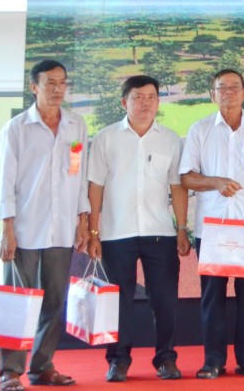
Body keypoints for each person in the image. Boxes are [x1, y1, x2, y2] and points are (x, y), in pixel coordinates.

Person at [88, 75, 188, 382]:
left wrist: (182, 228)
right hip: (116, 232)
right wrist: (93, 232)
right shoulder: (105, 138)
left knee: (165, 300)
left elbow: (178, 187)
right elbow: (95, 186)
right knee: (119, 300)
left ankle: (166, 358)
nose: (145, 103)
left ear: (158, 102)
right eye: (137, 97)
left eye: (151, 97)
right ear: (124, 102)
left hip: (160, 232)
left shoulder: (171, 139)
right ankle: (118, 360)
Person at [0, 60, 91, 391]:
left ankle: (42, 367)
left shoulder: (76, 125)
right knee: (18, 300)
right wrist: (7, 229)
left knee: (54, 300)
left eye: (62, 82)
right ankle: (10, 371)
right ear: (34, 87)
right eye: (50, 82)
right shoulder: (17, 128)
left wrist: (82, 220)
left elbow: (78, 175)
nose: (57, 89)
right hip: (24, 228)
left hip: (61, 228)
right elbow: (5, 182)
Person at [180, 68, 244, 379]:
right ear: (213, 94)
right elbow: (186, 177)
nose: (229, 93)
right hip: (212, 228)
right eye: (222, 88)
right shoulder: (200, 129)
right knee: (213, 298)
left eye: (235, 87)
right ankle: (213, 361)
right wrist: (215, 182)